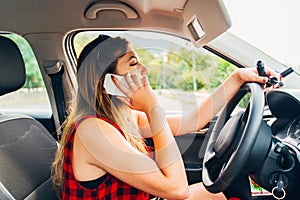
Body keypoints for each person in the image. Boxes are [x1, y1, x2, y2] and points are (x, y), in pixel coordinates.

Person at [51, 34, 279, 200]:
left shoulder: (123, 117)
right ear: (109, 82)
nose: (145, 69)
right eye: (133, 63)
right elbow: (177, 190)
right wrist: (152, 107)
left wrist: (237, 77)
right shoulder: (93, 131)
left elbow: (193, 121)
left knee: (217, 194)